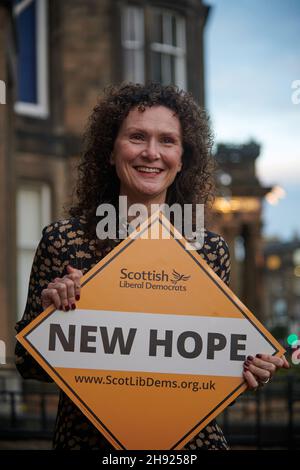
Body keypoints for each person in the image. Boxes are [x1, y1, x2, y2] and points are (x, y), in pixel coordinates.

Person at [15, 82, 289, 450]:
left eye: (167, 141)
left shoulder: (209, 250)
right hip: (89, 443)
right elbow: (28, 364)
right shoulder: (64, 240)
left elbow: (212, 359)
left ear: (183, 157)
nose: (151, 153)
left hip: (189, 446)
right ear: (111, 152)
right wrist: (50, 315)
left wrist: (249, 368)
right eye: (137, 137)